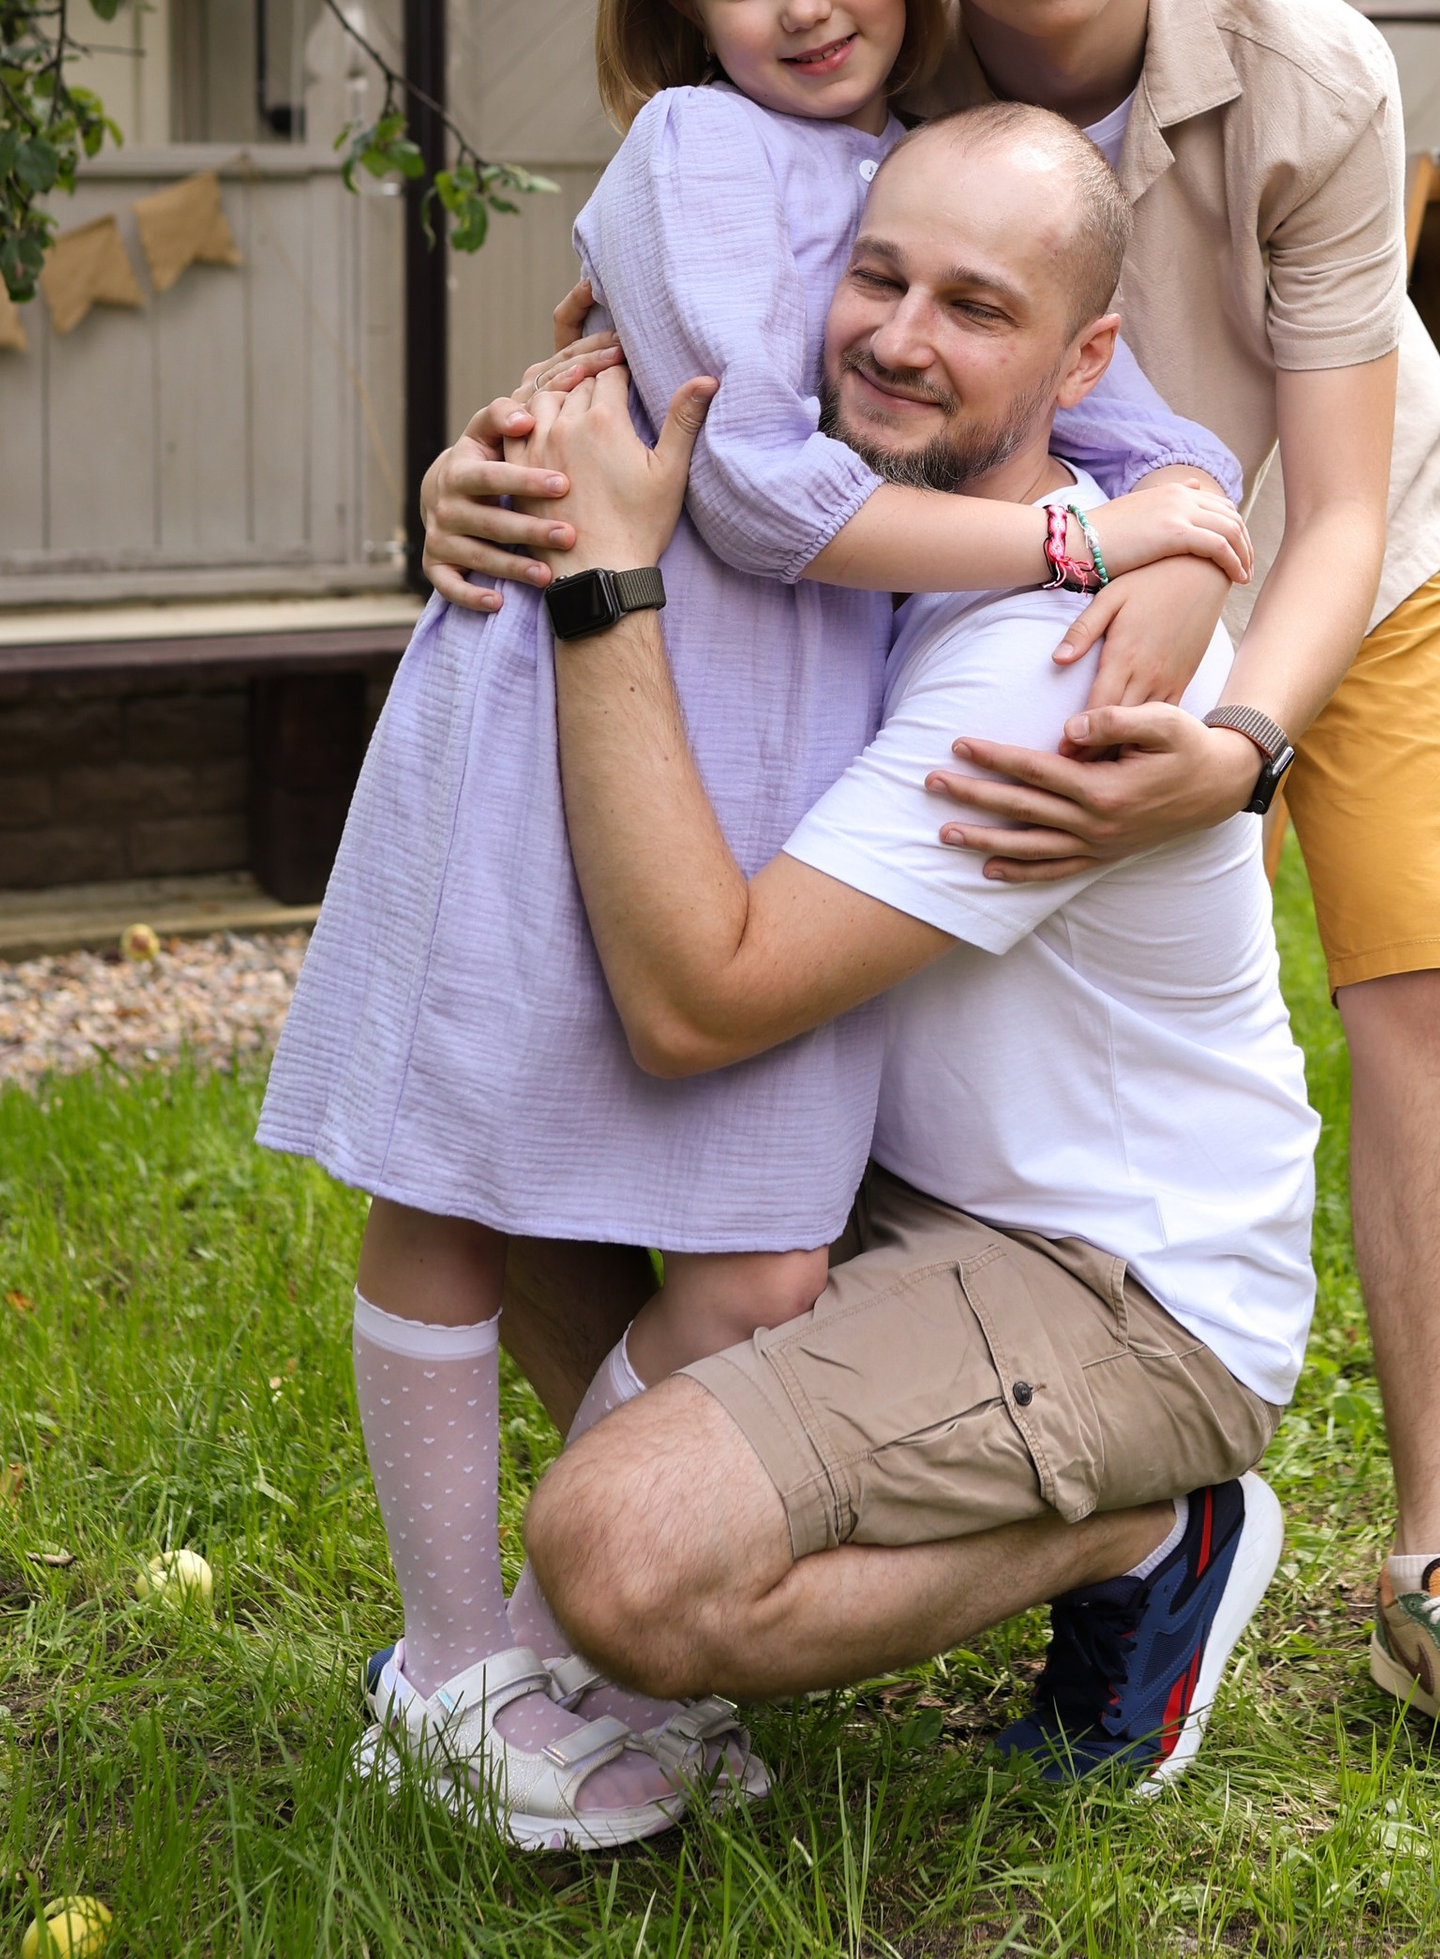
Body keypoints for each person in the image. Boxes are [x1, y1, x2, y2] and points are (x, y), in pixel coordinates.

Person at [427, 0, 1440, 1786]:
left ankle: (1435, 1556)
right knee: (751, 1052)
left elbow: (1326, 496)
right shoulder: (880, 68)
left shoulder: (1304, 66)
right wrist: (502, 448)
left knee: (1408, 978)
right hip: (1029, 538)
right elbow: (656, 323)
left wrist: (1226, 704)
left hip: (1329, 521)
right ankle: (912, 1432)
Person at [255, 0, 1250, 1849]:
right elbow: (752, 488)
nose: (800, 2)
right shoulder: (701, 158)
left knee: (749, 1246)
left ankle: (534, 1654)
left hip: (746, 759)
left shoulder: (944, 164)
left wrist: (1173, 528)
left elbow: (1148, 424)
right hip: (592, 721)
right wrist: (1073, 548)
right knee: (472, 1162)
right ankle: (461, 1665)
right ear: (677, 11)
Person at [522, 107, 1319, 1789]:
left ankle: (1147, 1540)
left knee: (620, 1557)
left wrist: (600, 579)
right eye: (876, 277)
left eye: (974, 307)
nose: (896, 338)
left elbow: (698, 1000)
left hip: (1118, 1285)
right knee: (481, 1146)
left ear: (1084, 357)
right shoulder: (876, 547)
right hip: (895, 1193)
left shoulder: (1055, 662)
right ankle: (519, 1649)